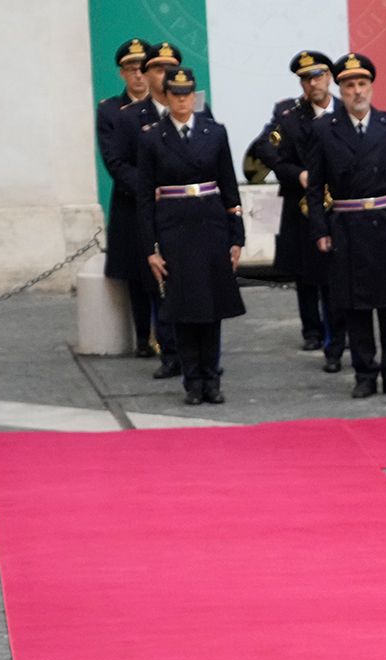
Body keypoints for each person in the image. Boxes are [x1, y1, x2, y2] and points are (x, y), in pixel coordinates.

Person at [306, 53, 386, 398]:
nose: (356, 91)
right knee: (354, 307)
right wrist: (321, 230)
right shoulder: (324, 130)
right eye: (348, 85)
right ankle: (364, 373)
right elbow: (315, 189)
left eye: (362, 84)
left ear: (371, 87)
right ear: (340, 89)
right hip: (346, 227)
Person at [136, 68, 246, 405]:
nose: (182, 100)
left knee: (212, 310)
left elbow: (229, 186)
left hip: (211, 226)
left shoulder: (214, 132)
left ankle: (212, 380)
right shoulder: (152, 137)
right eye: (176, 94)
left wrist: (236, 236)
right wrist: (150, 248)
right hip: (175, 228)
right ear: (166, 97)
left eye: (188, 94)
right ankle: (192, 382)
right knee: (183, 310)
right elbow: (144, 197)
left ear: (194, 96)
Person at [113, 42, 202, 379]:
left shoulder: (197, 115)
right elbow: (120, 163)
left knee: (192, 283)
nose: (164, 76)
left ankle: (197, 352)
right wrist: (150, 190)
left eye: (170, 69)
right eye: (157, 70)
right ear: (147, 75)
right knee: (159, 284)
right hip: (152, 211)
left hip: (191, 215)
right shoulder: (131, 118)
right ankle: (170, 354)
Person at [247, 50, 341, 362]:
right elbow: (263, 147)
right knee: (304, 271)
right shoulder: (288, 115)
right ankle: (312, 331)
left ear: (329, 77)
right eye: (305, 79)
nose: (313, 83)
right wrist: (296, 173)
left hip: (338, 204)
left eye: (318, 75)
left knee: (336, 270)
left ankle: (338, 331)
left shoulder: (345, 111)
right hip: (299, 204)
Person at [94, 38, 156, 358]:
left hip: (167, 204)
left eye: (142, 68)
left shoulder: (166, 103)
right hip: (132, 203)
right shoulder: (110, 110)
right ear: (121, 74)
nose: (138, 76)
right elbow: (114, 161)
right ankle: (144, 336)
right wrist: (148, 190)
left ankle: (171, 336)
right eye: (130, 69)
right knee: (136, 273)